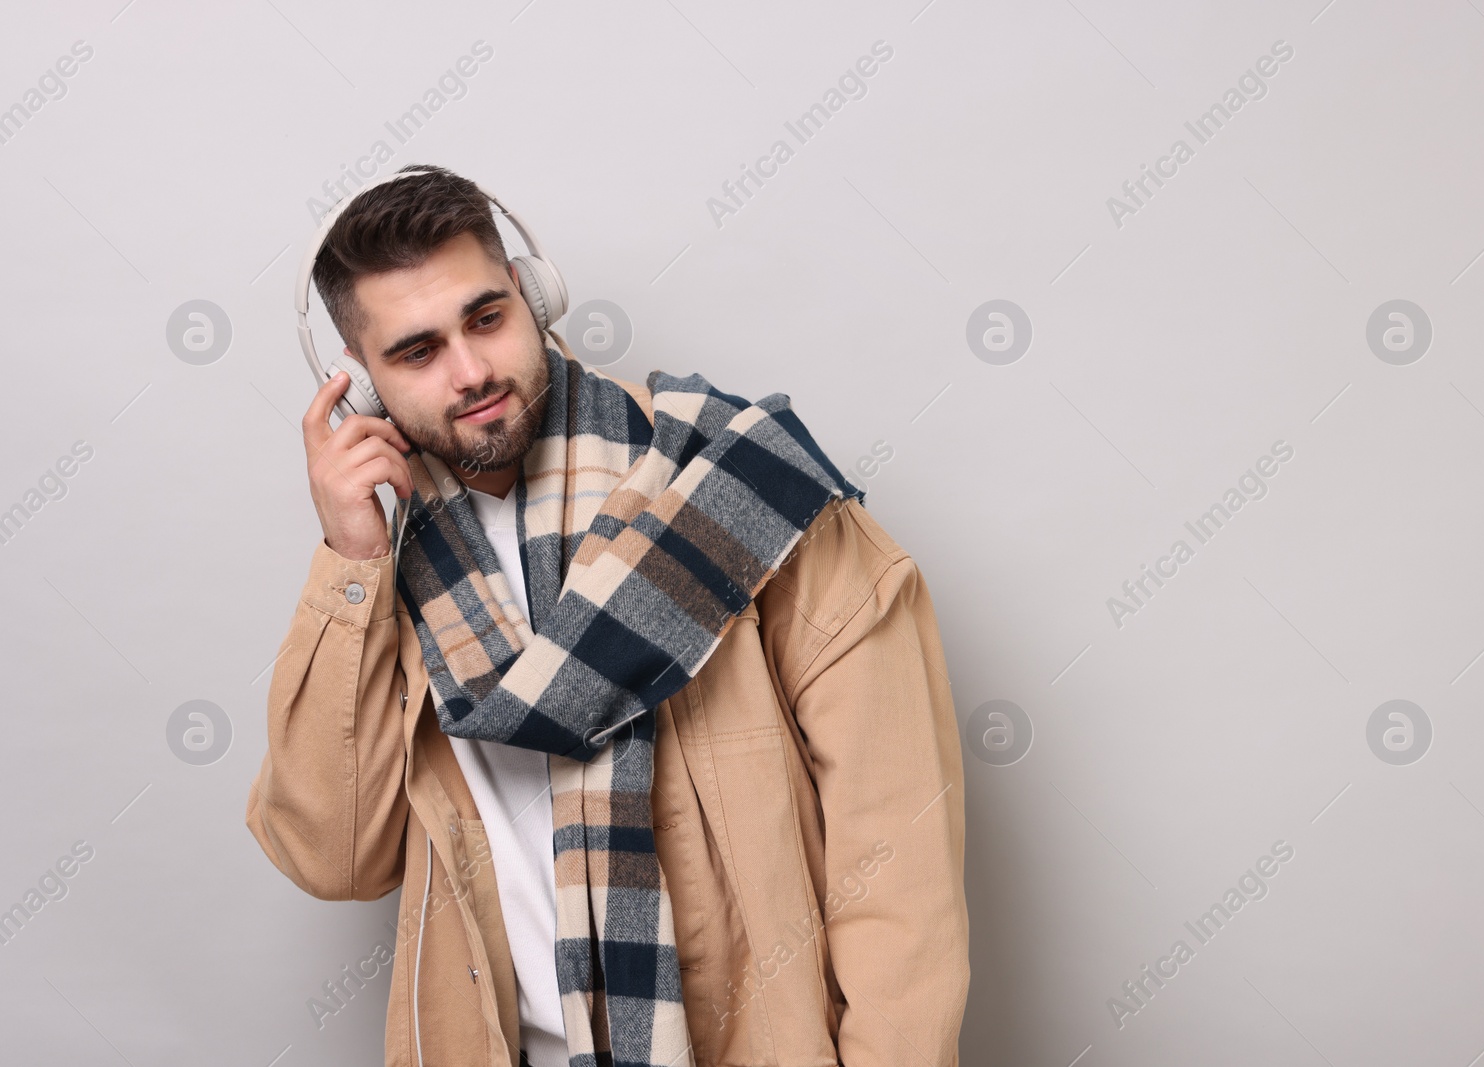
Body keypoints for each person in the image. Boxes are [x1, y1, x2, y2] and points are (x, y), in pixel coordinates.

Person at [245, 163, 969, 1067]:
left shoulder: (742, 497)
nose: (472, 373)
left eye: (486, 317)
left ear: (531, 292)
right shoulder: (390, 576)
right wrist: (351, 563)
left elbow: (900, 862)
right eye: (417, 351)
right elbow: (335, 857)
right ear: (359, 385)